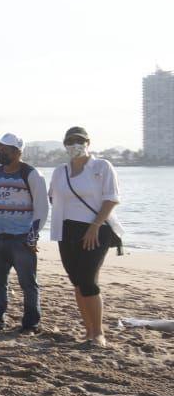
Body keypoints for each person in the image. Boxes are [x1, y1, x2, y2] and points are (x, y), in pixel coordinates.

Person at [49, 126, 122, 348]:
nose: (75, 145)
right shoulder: (60, 171)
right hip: (67, 230)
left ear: (88, 143)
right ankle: (88, 330)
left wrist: (95, 225)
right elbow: (53, 197)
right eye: (70, 141)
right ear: (64, 145)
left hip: (96, 229)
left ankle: (99, 333)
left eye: (79, 140)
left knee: (89, 280)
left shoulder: (101, 167)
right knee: (77, 281)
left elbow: (111, 198)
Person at [0, 134, 49, 335]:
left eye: (5, 150)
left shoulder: (32, 174)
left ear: (18, 152)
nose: (0, 152)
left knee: (28, 284)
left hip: (21, 239)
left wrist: (32, 237)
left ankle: (30, 324)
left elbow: (41, 209)